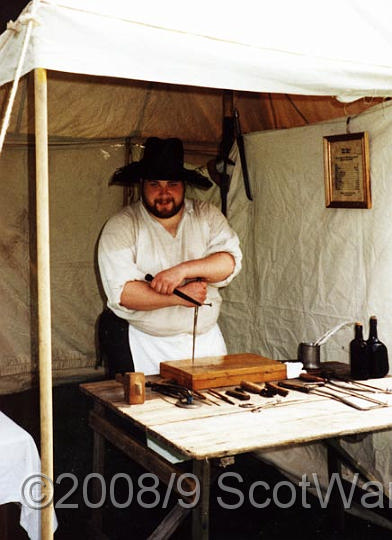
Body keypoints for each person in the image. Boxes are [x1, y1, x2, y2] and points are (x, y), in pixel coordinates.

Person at [97, 137, 242, 377]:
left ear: (183, 185)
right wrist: (179, 297)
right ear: (142, 184)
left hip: (205, 340)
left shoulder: (206, 215)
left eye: (172, 183)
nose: (164, 193)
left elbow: (228, 262)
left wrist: (183, 270)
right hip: (146, 343)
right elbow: (122, 293)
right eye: (155, 184)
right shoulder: (122, 225)